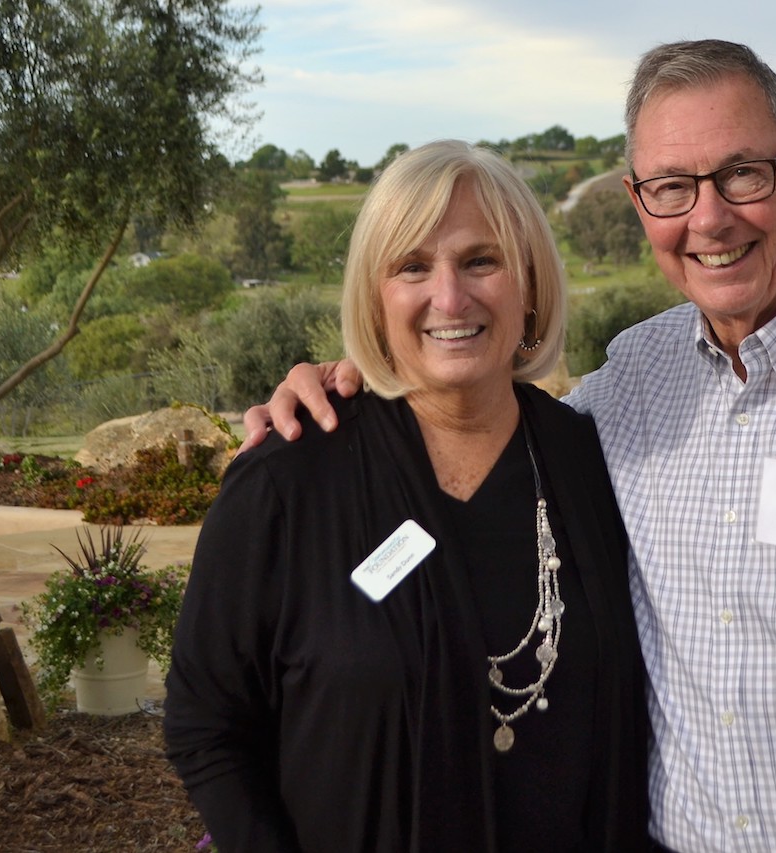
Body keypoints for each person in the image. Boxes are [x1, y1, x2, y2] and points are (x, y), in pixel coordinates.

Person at [244, 40, 776, 852]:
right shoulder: (631, 383)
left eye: (741, 174)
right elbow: (475, 413)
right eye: (671, 186)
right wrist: (353, 388)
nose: (709, 217)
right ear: (640, 203)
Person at [163, 140, 649, 851]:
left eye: (481, 261)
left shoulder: (592, 461)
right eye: (413, 267)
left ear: (530, 285)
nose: (449, 298)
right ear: (375, 297)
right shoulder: (288, 480)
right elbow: (205, 725)